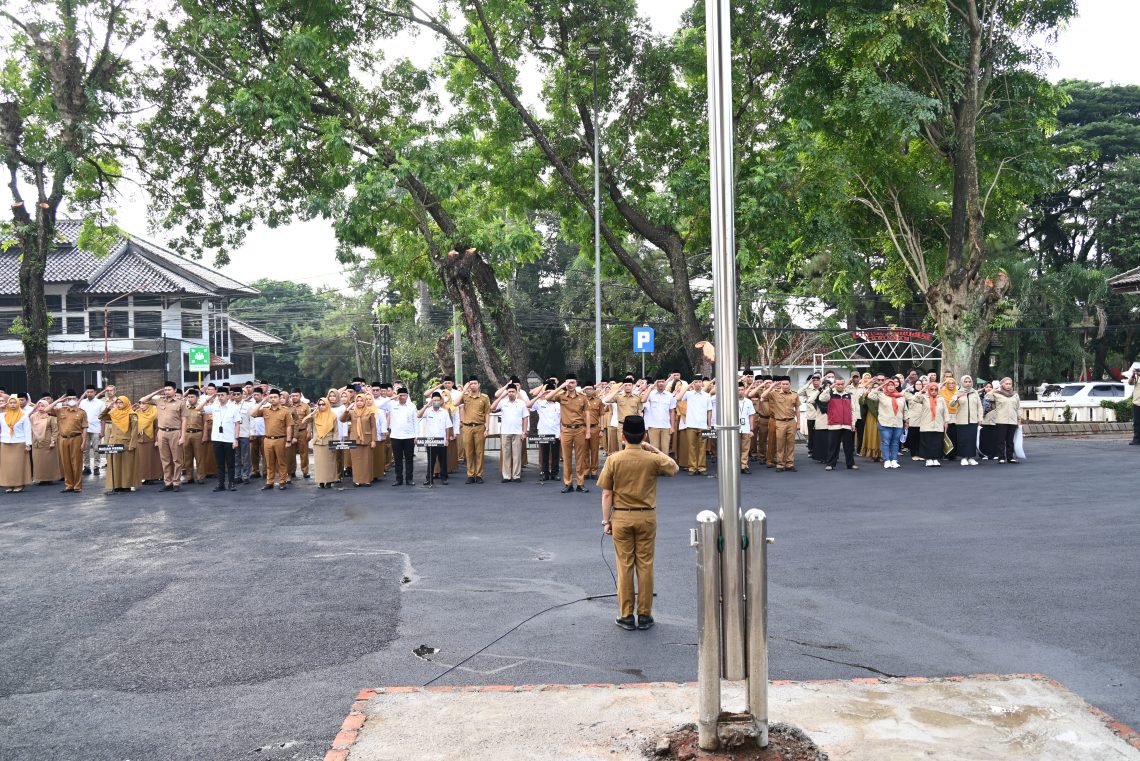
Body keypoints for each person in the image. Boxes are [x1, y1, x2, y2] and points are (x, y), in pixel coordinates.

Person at [599, 415, 678, 631]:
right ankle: (644, 614)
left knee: (624, 566)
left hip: (622, 516)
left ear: (623, 436)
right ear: (644, 435)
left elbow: (607, 494)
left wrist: (606, 521)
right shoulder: (652, 459)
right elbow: (674, 467)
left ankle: (626, 615)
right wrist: (652, 448)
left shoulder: (614, 460)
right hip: (646, 516)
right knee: (645, 565)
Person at [547, 373, 592, 493]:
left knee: (580, 458)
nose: (570, 385)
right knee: (567, 458)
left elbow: (587, 415)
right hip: (566, 429)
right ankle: (568, 483)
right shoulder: (561, 396)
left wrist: (588, 431)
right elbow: (548, 397)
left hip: (579, 429)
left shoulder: (583, 397)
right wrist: (560, 386)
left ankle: (580, 484)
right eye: (568, 383)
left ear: (576, 383)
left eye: (572, 382)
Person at [139, 382, 186, 491]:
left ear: (174, 390)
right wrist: (157, 392)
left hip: (175, 432)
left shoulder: (181, 403)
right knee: (165, 459)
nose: (167, 391)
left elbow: (184, 420)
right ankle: (168, 482)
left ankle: (176, 483)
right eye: (165, 389)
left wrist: (183, 436)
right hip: (162, 432)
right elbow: (143, 400)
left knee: (177, 459)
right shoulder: (159, 400)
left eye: (169, 389)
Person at [251, 389, 294, 490]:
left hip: (280, 439)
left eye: (275, 397)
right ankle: (269, 482)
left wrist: (288, 441)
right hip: (267, 439)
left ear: (279, 398)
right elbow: (252, 414)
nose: (273, 399)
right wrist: (262, 402)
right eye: (271, 397)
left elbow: (289, 426)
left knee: (281, 462)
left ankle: (282, 481)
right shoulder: (265, 409)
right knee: (269, 462)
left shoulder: (285, 411)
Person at [48, 390, 88, 492]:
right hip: (63, 438)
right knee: (66, 463)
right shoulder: (61, 410)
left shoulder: (81, 412)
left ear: (77, 399)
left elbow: (85, 428)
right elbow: (46, 409)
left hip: (76, 438)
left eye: (73, 398)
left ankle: (77, 486)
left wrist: (83, 442)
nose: (71, 400)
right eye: (69, 399)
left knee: (77, 463)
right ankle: (69, 485)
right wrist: (59, 400)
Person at [100, 394, 140, 493]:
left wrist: (132, 444)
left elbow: (135, 430)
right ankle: (116, 485)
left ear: (126, 403)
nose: (119, 404)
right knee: (115, 464)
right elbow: (101, 417)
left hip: (126, 443)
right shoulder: (114, 413)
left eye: (121, 402)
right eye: (117, 402)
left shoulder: (132, 414)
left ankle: (126, 485)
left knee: (126, 465)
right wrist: (108, 407)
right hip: (114, 442)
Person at [202, 387, 240, 492]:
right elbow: (198, 408)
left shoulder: (233, 408)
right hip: (217, 438)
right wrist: (210, 397)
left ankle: (231, 483)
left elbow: (237, 424)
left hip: (229, 439)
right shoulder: (214, 406)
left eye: (222, 395)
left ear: (228, 396)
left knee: (230, 463)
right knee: (219, 463)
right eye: (218, 395)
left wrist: (236, 439)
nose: (220, 397)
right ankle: (221, 484)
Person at [819, 377, 860, 471]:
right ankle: (830, 464)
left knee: (849, 446)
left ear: (844, 384)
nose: (840, 386)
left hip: (847, 425)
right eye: (838, 384)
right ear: (835, 384)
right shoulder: (830, 394)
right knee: (833, 446)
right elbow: (821, 398)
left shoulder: (849, 395)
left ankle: (851, 464)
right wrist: (829, 388)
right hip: (834, 425)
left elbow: (853, 410)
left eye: (842, 384)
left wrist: (853, 423)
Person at [761, 376, 800, 472]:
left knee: (791, 444)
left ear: (790, 384)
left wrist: (798, 422)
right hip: (779, 422)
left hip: (791, 421)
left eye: (787, 384)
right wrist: (772, 386)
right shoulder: (774, 393)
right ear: (781, 385)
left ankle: (790, 463)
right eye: (783, 384)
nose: (785, 386)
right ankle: (780, 464)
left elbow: (797, 409)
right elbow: (763, 396)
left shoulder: (795, 394)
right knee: (780, 443)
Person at [491, 384, 528, 483]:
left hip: (517, 432)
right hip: (505, 432)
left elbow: (525, 418)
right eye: (509, 391)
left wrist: (524, 432)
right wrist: (501, 397)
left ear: (516, 392)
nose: (511, 393)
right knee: (506, 454)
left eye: (513, 391)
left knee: (517, 455)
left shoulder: (521, 403)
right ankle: (506, 476)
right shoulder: (503, 402)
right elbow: (492, 407)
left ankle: (516, 475)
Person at [867, 378, 906, 469]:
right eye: (888, 385)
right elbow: (870, 396)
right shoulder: (881, 395)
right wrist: (880, 387)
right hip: (885, 422)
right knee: (886, 442)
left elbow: (905, 409)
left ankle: (894, 460)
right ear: (885, 386)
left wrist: (906, 420)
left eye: (892, 385)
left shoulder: (900, 396)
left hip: (898, 423)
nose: (891, 387)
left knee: (895, 443)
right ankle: (887, 460)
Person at [458, 376, 491, 484]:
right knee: (468, 452)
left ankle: (480, 475)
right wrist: (463, 390)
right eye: (471, 383)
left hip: (480, 427)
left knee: (480, 452)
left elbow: (487, 413)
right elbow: (454, 403)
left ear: (479, 384)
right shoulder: (465, 396)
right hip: (467, 427)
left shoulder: (484, 397)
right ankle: (471, 474)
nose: (473, 385)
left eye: (475, 383)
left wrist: (488, 428)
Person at [339, 392, 377, 486]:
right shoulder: (352, 412)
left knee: (367, 461)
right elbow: (342, 419)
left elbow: (373, 427)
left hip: (367, 439)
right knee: (356, 461)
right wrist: (347, 409)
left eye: (361, 400)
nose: (359, 402)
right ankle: (357, 480)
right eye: (357, 401)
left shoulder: (370, 412)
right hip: (354, 439)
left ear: (365, 402)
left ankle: (367, 480)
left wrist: (373, 440)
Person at [677, 377, 713, 475]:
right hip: (690, 424)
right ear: (693, 383)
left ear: (702, 384)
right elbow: (678, 398)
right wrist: (689, 385)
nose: (697, 384)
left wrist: (709, 425)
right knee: (691, 447)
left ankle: (701, 467)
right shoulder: (689, 394)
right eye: (695, 382)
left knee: (702, 447)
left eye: (699, 382)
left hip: (702, 425)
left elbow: (709, 410)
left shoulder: (707, 395)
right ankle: (692, 467)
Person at [909, 381, 949, 467]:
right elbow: (915, 398)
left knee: (937, 443)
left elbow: (945, 411)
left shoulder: (941, 399)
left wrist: (946, 421)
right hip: (926, 425)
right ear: (929, 390)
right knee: (927, 443)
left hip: (938, 425)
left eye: (935, 389)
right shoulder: (924, 398)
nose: (934, 391)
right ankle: (928, 459)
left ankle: (935, 459)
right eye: (932, 389)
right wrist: (923, 390)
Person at [418, 391, 454, 486]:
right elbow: (418, 415)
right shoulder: (428, 410)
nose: (436, 402)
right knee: (431, 460)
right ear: (431, 401)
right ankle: (429, 479)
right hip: (430, 440)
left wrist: (447, 439)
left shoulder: (444, 412)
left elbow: (448, 426)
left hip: (442, 439)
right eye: (434, 400)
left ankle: (444, 478)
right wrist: (426, 406)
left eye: (438, 400)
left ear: (441, 401)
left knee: (443, 460)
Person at [306, 393, 341, 489]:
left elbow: (335, 431)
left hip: (328, 442)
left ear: (327, 404)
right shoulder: (315, 415)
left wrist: (335, 443)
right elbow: (304, 421)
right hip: (318, 442)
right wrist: (312, 413)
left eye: (323, 404)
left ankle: (329, 481)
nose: (321, 406)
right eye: (320, 404)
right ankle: (321, 482)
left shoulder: (333, 416)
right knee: (320, 464)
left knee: (330, 463)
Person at [529, 379, 561, 482]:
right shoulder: (539, 403)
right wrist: (539, 396)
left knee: (555, 455)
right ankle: (544, 473)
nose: (549, 394)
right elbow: (528, 405)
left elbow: (561, 419)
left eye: (551, 392)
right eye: (547, 392)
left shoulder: (558, 405)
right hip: (544, 432)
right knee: (544, 454)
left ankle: (555, 473)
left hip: (555, 432)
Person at [1, 395, 32, 492]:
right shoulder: (2, 416)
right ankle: (9, 485)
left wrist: (28, 444)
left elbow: (27, 431)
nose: (13, 405)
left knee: (18, 466)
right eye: (10, 403)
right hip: (5, 443)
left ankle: (19, 484)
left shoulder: (23, 415)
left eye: (14, 403)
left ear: (18, 404)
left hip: (19, 443)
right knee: (7, 466)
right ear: (7, 404)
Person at [985, 377, 1021, 464]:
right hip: (1001, 420)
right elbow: (987, 397)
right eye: (1006, 384)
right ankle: (1001, 457)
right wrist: (994, 389)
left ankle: (1010, 457)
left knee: (1010, 440)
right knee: (1001, 440)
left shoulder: (1015, 394)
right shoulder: (997, 394)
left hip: (1012, 419)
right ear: (1002, 384)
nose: (1008, 386)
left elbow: (1018, 407)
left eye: (1010, 384)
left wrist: (1019, 417)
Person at [388, 387, 419, 487]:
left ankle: (409, 479)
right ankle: (398, 479)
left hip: (409, 436)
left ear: (407, 396)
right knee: (398, 459)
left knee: (409, 459)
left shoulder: (412, 406)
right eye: (400, 395)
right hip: (396, 436)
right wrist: (393, 398)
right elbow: (380, 404)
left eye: (404, 395)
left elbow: (416, 422)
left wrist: (417, 435)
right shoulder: (392, 405)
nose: (402, 397)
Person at [641, 376, 677, 457]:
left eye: (662, 381)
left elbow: (672, 411)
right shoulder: (651, 394)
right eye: (659, 382)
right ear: (656, 383)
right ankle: (656, 469)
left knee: (665, 450)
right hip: (653, 426)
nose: (661, 383)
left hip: (666, 426)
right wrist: (650, 388)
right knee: (654, 450)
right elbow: (643, 400)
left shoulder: (670, 395)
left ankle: (665, 469)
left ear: (665, 383)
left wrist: (672, 427)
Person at [952, 375, 983, 466]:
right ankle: (964, 457)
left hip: (973, 420)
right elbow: (951, 404)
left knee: (971, 439)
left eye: (969, 381)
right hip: (961, 420)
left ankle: (971, 457)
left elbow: (979, 406)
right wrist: (957, 397)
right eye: (965, 382)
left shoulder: (975, 393)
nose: (968, 383)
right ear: (962, 382)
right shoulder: (958, 392)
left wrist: (980, 418)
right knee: (963, 440)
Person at [28, 398, 61, 485]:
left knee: (49, 461)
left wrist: (53, 441)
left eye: (43, 406)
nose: (40, 408)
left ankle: (49, 478)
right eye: (39, 406)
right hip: (36, 442)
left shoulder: (51, 418)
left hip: (48, 441)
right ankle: (40, 478)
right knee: (38, 461)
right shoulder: (33, 417)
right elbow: (27, 417)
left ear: (47, 407)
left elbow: (55, 431)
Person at [181, 389, 208, 484]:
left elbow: (205, 422)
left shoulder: (202, 408)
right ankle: (189, 477)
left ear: (197, 398)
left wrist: (205, 435)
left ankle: (200, 476)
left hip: (198, 434)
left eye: (192, 397)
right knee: (187, 457)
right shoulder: (185, 408)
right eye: (188, 397)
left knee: (199, 457)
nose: (190, 399)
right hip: (187, 434)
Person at [133, 400, 162, 485]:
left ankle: (153, 477)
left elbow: (157, 428)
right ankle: (144, 477)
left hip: (150, 439)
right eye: (140, 404)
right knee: (142, 460)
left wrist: (157, 440)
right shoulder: (137, 413)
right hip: (139, 439)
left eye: (144, 404)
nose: (141, 406)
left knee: (152, 459)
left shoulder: (154, 413)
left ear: (149, 404)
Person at [79, 384, 104, 476]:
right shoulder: (82, 403)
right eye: (87, 392)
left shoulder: (100, 403)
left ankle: (96, 467)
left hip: (96, 429)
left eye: (91, 392)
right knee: (85, 449)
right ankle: (86, 467)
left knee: (96, 448)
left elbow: (103, 418)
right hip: (85, 429)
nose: (89, 394)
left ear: (95, 392)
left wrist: (102, 430)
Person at [583, 383, 605, 478]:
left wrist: (602, 429)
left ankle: (594, 471)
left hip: (595, 428)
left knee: (595, 451)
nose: (588, 390)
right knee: (584, 451)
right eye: (586, 389)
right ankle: (586, 471)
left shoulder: (598, 401)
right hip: (583, 428)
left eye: (590, 389)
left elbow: (602, 415)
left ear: (594, 390)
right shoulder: (580, 400)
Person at [737, 381, 755, 475]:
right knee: (736, 448)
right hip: (735, 429)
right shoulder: (731, 402)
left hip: (746, 428)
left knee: (745, 448)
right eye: (738, 390)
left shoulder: (748, 402)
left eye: (742, 389)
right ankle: (736, 466)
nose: (740, 391)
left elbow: (751, 416)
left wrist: (751, 429)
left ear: (744, 390)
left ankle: (744, 466)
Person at [1128, 365, 1140, 446]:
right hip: (1137, 402)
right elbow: (1130, 382)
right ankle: (1136, 439)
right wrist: (1133, 375)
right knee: (1136, 422)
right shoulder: (1137, 377)